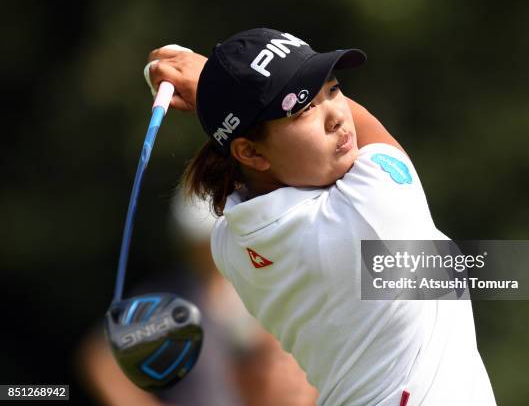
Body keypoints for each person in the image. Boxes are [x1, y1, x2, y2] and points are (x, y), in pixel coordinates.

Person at [146, 28, 497, 405]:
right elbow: (367, 131)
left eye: (332, 88)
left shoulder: (229, 243)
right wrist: (206, 84)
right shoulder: (374, 206)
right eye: (302, 108)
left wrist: (220, 99)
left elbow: (257, 164)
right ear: (249, 152)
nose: (336, 117)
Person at [78, 191, 318, 405]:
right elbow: (101, 360)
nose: (209, 251)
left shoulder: (264, 285)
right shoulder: (169, 302)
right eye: (202, 243)